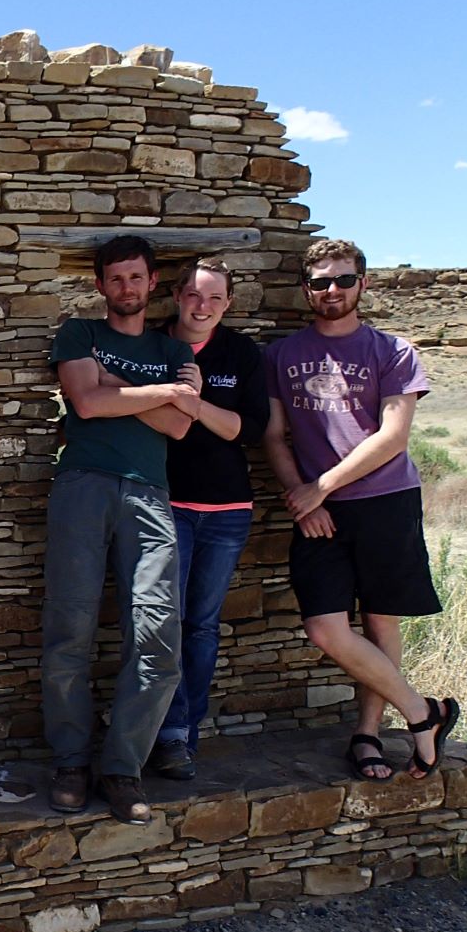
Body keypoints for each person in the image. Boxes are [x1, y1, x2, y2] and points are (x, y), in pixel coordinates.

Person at [262, 238, 458, 781]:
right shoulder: (279, 356)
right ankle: (425, 714)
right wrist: (305, 501)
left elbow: (393, 436)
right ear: (307, 289)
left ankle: (368, 734)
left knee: (379, 620)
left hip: (384, 500)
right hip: (318, 511)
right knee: (326, 628)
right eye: (321, 282)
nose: (332, 291)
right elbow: (274, 436)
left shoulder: (392, 351)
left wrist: (319, 487)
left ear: (363, 284)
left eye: (343, 280)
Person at [41, 234, 201, 824]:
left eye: (136, 278)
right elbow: (84, 403)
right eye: (116, 279)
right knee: (70, 627)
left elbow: (180, 429)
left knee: (158, 636)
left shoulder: (169, 348)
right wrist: (162, 394)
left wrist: (117, 387)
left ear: (152, 282)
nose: (127, 288)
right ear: (100, 285)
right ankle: (70, 761)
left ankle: (122, 767)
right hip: (82, 485)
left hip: (150, 493)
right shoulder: (80, 335)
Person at [144, 258, 269, 781]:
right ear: (176, 295)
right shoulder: (152, 346)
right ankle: (165, 734)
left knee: (201, 627)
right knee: (162, 622)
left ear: (228, 305)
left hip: (227, 510)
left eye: (214, 298)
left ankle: (184, 735)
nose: (203, 306)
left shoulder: (240, 352)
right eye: (194, 295)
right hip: (166, 502)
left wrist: (194, 404)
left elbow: (249, 429)